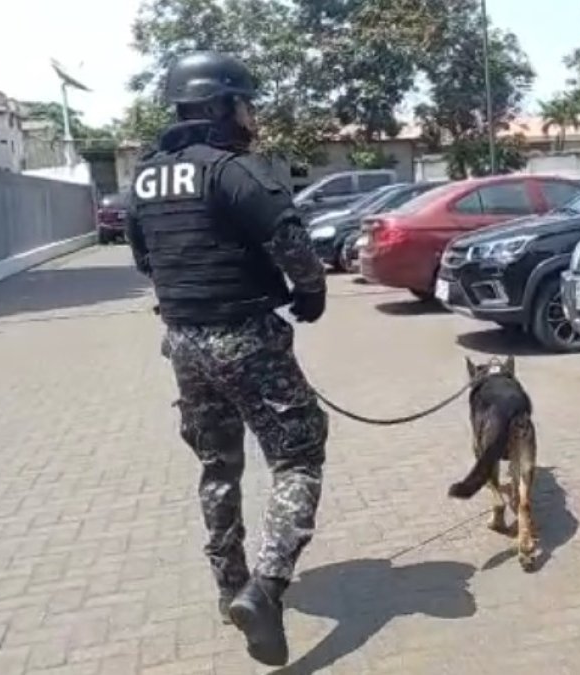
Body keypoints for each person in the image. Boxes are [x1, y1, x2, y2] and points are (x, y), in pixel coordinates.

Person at [124, 50, 327, 667]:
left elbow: (144, 259)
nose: (251, 115)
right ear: (220, 105)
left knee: (218, 466)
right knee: (298, 455)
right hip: (244, 336)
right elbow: (290, 241)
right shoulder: (235, 170)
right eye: (245, 103)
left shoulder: (146, 177)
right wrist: (310, 292)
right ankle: (264, 590)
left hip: (183, 341)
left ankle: (228, 587)